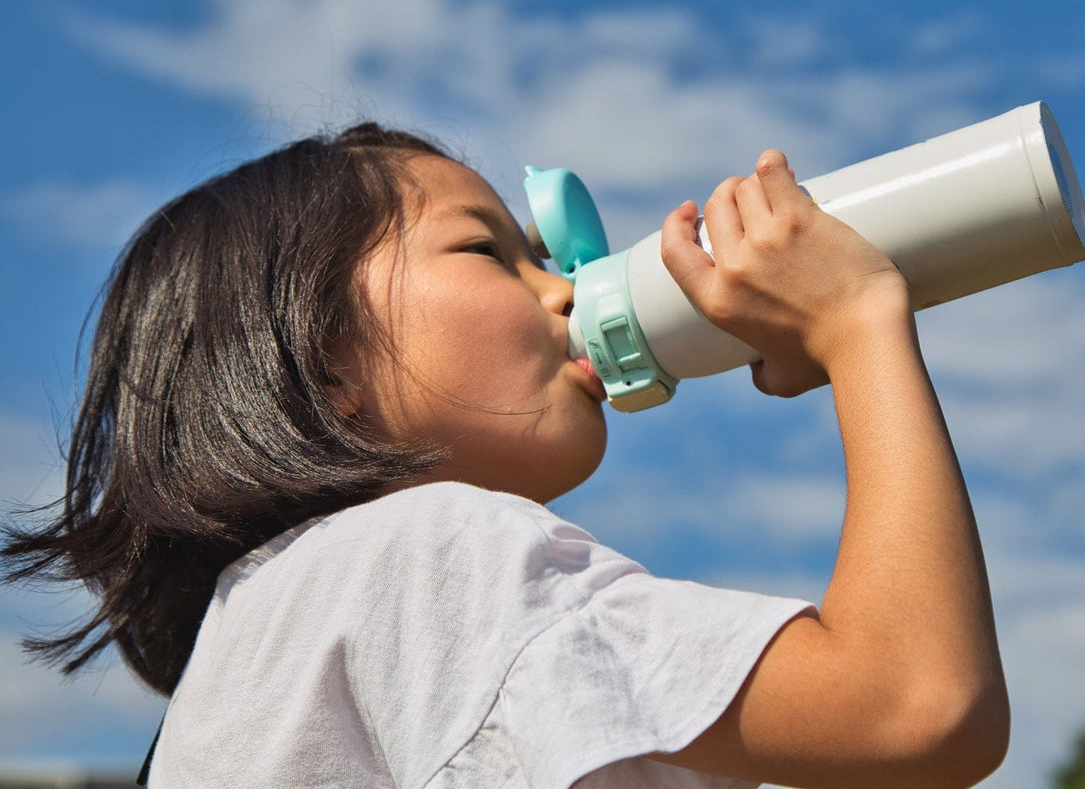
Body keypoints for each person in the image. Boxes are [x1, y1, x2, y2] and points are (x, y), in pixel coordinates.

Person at [2, 123, 1008, 789]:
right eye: (490, 252)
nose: (565, 290)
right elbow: (917, 706)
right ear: (318, 357)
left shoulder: (283, 618)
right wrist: (860, 326)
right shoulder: (417, 549)